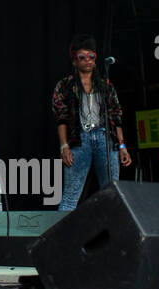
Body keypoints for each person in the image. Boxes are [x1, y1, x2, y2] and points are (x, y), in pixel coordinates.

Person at [53, 34, 131, 210]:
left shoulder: (105, 86)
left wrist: (122, 146)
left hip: (104, 138)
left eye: (91, 57)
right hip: (79, 140)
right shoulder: (65, 86)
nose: (87, 61)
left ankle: (113, 235)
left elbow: (116, 117)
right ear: (74, 61)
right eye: (82, 57)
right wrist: (64, 146)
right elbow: (61, 118)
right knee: (71, 196)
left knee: (112, 192)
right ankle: (63, 237)